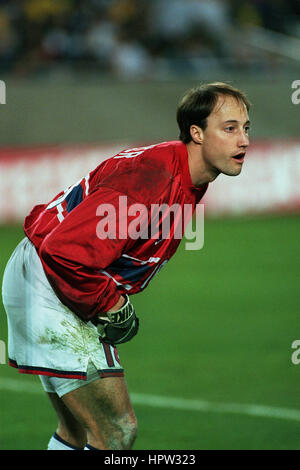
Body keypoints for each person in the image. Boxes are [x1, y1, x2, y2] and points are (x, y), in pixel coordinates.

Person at [2, 82, 250, 450]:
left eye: (246, 128)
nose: (243, 140)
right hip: (51, 283)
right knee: (116, 432)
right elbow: (65, 252)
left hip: (42, 277)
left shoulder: (184, 176)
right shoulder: (154, 177)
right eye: (229, 129)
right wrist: (110, 304)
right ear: (196, 133)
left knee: (79, 432)